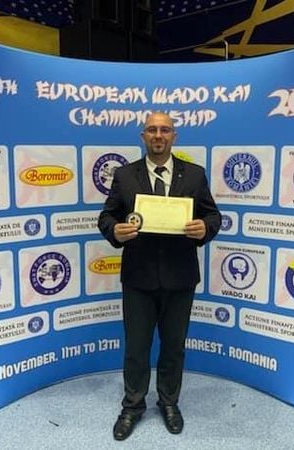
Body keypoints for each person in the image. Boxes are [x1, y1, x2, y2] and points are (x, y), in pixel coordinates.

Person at [98, 112, 221, 441]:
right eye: (152, 129)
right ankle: (133, 405)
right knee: (136, 348)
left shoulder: (194, 175)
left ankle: (169, 402)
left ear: (174, 137)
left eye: (165, 130)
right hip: (138, 278)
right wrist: (115, 230)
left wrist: (204, 228)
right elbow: (107, 216)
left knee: (173, 347)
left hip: (180, 277)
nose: (158, 135)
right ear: (143, 136)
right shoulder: (125, 175)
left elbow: (213, 216)